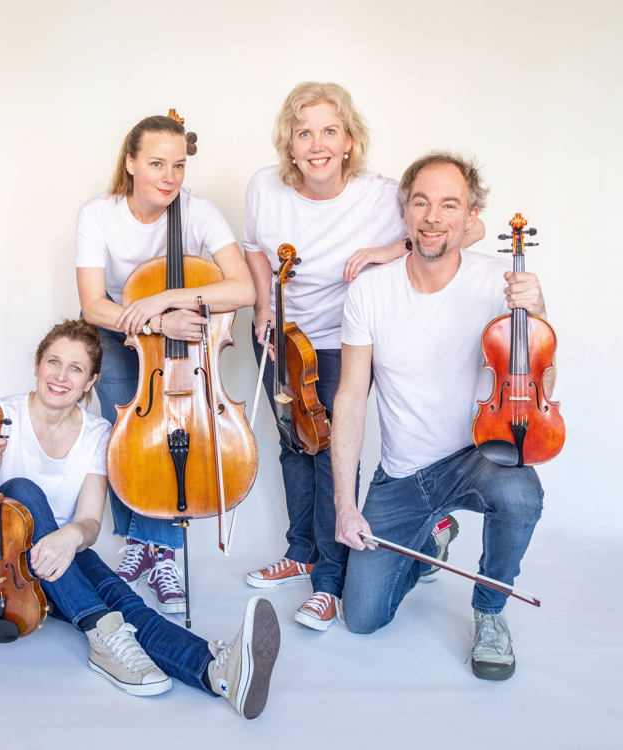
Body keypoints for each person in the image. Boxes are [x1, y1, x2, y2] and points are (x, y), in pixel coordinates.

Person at [0, 319, 279, 718]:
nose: (60, 376)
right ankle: (100, 630)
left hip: (52, 562)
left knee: (125, 603)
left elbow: (88, 523)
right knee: (21, 491)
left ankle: (216, 671)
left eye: (76, 368)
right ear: (37, 365)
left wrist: (70, 538)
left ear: (91, 381)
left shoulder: (97, 432)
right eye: (53, 362)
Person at [242, 82, 482, 630]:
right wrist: (262, 305)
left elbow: (467, 228)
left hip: (339, 340)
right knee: (293, 446)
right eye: (304, 133)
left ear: (349, 140)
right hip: (281, 336)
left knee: (329, 452)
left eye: (330, 131)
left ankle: (329, 581)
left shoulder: (379, 195)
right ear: (289, 142)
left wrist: (390, 249)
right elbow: (254, 249)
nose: (317, 145)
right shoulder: (263, 187)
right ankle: (300, 551)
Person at [333, 153, 548, 680]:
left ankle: (490, 611)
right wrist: (345, 505)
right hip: (403, 475)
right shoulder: (370, 291)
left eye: (449, 205)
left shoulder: (501, 284)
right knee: (361, 617)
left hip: (477, 456)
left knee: (522, 493)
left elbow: (539, 389)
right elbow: (351, 398)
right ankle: (432, 537)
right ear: (405, 211)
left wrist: (537, 315)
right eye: (421, 203)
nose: (433, 217)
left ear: (470, 216)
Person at [76, 115, 254, 613]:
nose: (169, 177)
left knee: (179, 428)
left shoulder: (198, 211)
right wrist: (156, 322)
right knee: (129, 437)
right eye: (156, 163)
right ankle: (146, 544)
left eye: (178, 165)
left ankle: (157, 550)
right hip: (119, 331)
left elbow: (243, 288)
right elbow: (93, 306)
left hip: (181, 337)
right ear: (131, 162)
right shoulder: (98, 214)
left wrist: (167, 298)